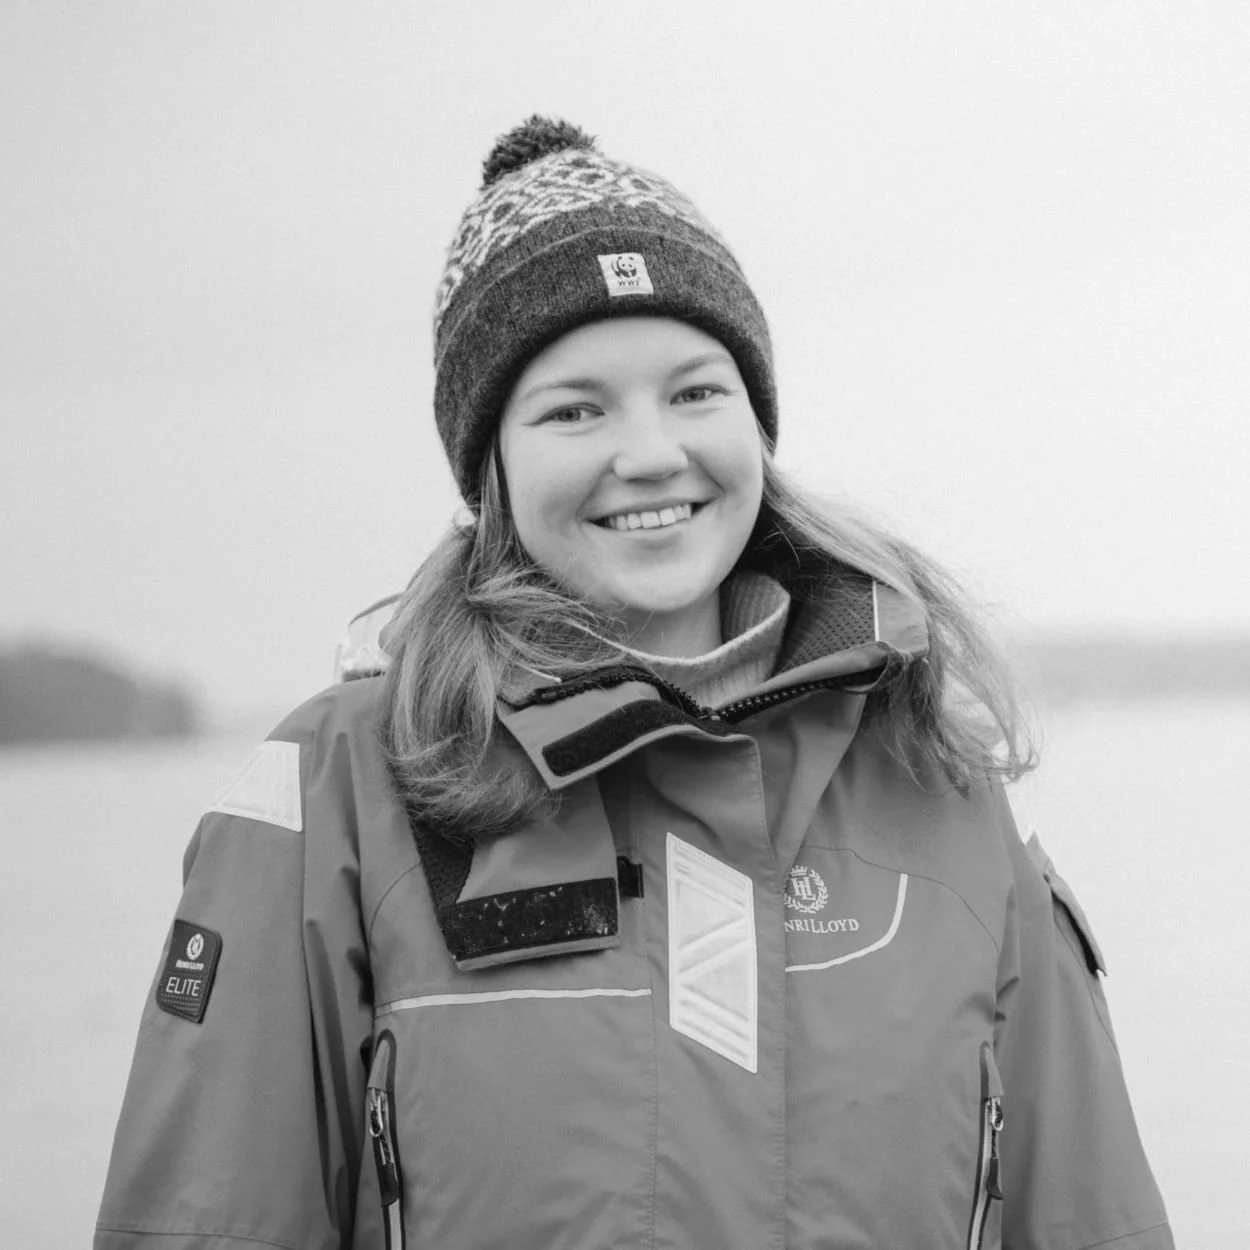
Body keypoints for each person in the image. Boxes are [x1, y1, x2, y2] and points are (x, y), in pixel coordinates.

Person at [95, 116, 1172, 1250]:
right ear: (490, 463)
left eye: (695, 390)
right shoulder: (343, 792)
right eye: (575, 407)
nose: (651, 450)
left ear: (755, 419)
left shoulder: (932, 777)